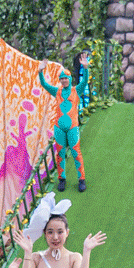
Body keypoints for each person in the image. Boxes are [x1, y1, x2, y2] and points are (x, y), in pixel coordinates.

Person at [37, 62, 91, 191]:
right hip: (59, 128)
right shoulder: (57, 91)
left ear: (70, 79)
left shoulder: (75, 90)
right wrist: (40, 72)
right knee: (60, 154)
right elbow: (44, 84)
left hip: (72, 127)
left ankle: (81, 179)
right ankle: (62, 179)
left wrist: (85, 68)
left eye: (66, 78)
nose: (64, 80)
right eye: (61, 78)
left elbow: (84, 82)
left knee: (76, 152)